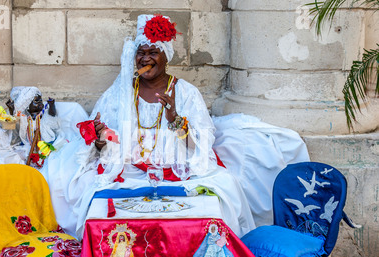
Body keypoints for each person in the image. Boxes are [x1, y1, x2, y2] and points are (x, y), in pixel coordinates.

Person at [40, 14, 309, 240]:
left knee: (224, 192)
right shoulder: (120, 92)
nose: (145, 59)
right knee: (90, 197)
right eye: (141, 53)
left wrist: (176, 120)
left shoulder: (187, 93)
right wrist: (101, 138)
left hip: (180, 170)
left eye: (153, 52)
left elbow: (202, 143)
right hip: (129, 172)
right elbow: (106, 138)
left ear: (166, 56)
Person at [0, 86, 88, 170]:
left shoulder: (43, 115)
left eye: (40, 101)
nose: (40, 104)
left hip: (47, 145)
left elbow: (53, 121)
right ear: (27, 105)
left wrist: (51, 106)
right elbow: (14, 130)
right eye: (36, 102)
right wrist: (12, 111)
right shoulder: (24, 118)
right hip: (29, 146)